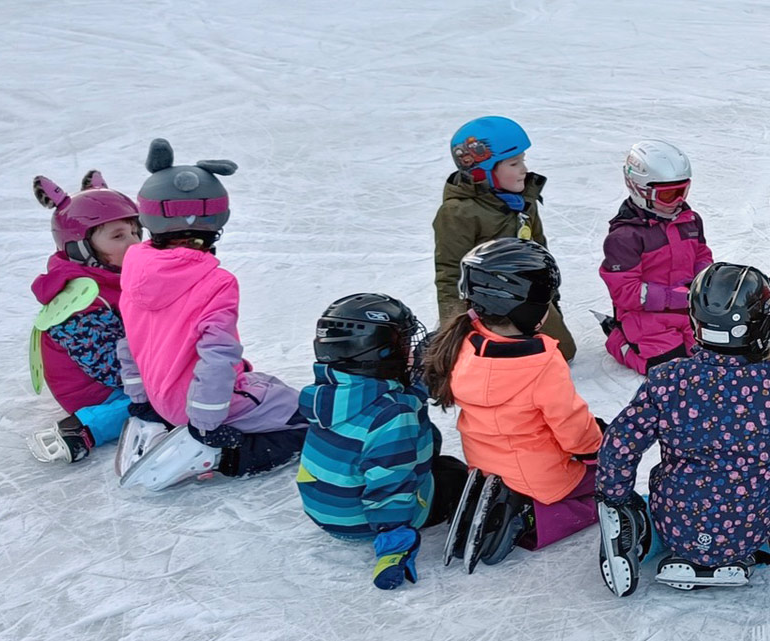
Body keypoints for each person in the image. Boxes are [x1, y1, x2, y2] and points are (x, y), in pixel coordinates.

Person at [113, 139, 305, 491]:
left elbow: (129, 340)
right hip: (198, 408)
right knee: (303, 417)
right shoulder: (216, 281)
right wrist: (205, 423)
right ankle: (223, 456)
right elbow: (217, 356)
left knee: (270, 388)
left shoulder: (135, 264)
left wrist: (143, 402)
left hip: (160, 397)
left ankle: (206, 421)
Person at [596, 263, 770, 595]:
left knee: (656, 498)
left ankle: (639, 527)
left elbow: (621, 442)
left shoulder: (668, 378)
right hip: (749, 524)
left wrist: (615, 496)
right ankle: (729, 552)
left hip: (676, 520)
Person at [419, 238, 602, 570]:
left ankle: (510, 500)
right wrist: (596, 448)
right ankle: (532, 520)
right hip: (541, 477)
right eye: (546, 301)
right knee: (604, 488)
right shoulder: (542, 362)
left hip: (484, 466)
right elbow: (570, 426)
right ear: (524, 307)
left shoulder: (461, 342)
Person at [296, 293, 469, 590]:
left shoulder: (331, 391)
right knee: (453, 473)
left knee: (419, 443)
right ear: (377, 351)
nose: (410, 351)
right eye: (403, 343)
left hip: (324, 508)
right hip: (358, 520)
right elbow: (390, 484)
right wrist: (393, 546)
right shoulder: (393, 415)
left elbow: (388, 404)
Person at [432, 116, 575, 360]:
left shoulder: (525, 202)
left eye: (523, 161)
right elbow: (449, 272)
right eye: (513, 164)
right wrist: (452, 328)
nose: (524, 170)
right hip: (486, 303)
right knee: (492, 357)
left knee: (562, 352)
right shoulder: (459, 212)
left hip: (525, 294)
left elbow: (540, 253)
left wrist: (551, 301)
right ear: (482, 172)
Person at [26, 171, 141, 463]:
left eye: (135, 232)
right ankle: (83, 429)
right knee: (165, 398)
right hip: (94, 392)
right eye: (118, 236)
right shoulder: (81, 301)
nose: (134, 242)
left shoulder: (110, 276)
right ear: (80, 247)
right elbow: (109, 368)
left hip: (115, 373)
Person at [599, 140, 713, 373]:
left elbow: (701, 253)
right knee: (668, 367)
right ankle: (618, 340)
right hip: (646, 316)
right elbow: (625, 292)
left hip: (689, 311)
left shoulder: (690, 220)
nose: (679, 201)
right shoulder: (624, 237)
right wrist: (675, 298)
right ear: (640, 190)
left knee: (709, 357)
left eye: (683, 191)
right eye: (669, 195)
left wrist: (705, 280)